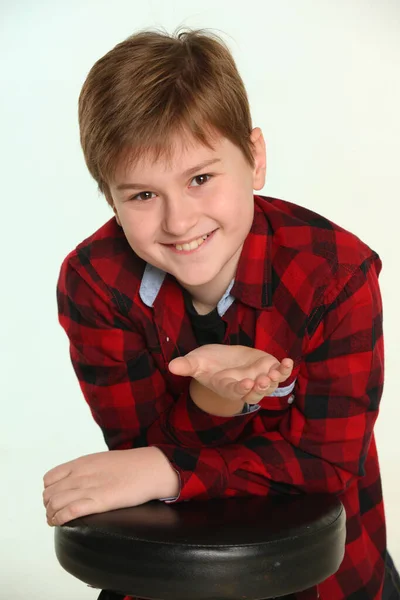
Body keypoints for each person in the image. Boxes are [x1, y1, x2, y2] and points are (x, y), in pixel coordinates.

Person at [42, 28, 400, 600]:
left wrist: (171, 470)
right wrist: (215, 397)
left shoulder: (336, 273)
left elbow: (326, 467)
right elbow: (140, 448)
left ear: (255, 159)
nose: (179, 222)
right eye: (142, 196)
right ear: (111, 199)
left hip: (326, 579)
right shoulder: (95, 282)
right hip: (175, 573)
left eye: (201, 179)